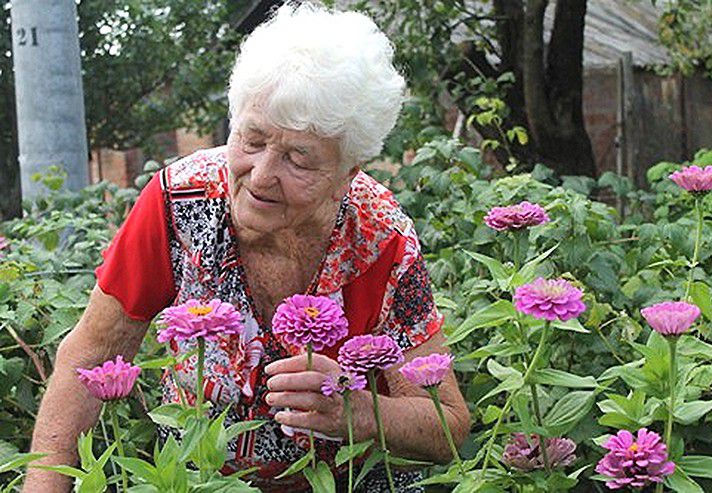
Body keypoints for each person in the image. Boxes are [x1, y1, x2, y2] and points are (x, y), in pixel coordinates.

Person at [24, 3, 470, 492]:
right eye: (252, 139)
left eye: (298, 159)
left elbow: (447, 425)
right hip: (200, 480)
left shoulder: (380, 237)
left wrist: (358, 412)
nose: (260, 176)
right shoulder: (179, 202)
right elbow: (88, 357)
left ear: (348, 173)